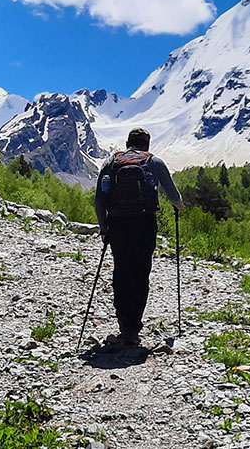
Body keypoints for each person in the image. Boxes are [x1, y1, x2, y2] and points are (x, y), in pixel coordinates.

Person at [93, 127, 182, 347]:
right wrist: (179, 206)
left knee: (121, 270)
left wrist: (104, 229)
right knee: (141, 272)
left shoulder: (110, 163)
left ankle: (123, 323)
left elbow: (98, 199)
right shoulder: (154, 162)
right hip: (144, 223)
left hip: (118, 223)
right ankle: (134, 326)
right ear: (147, 145)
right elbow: (174, 196)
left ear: (126, 143)